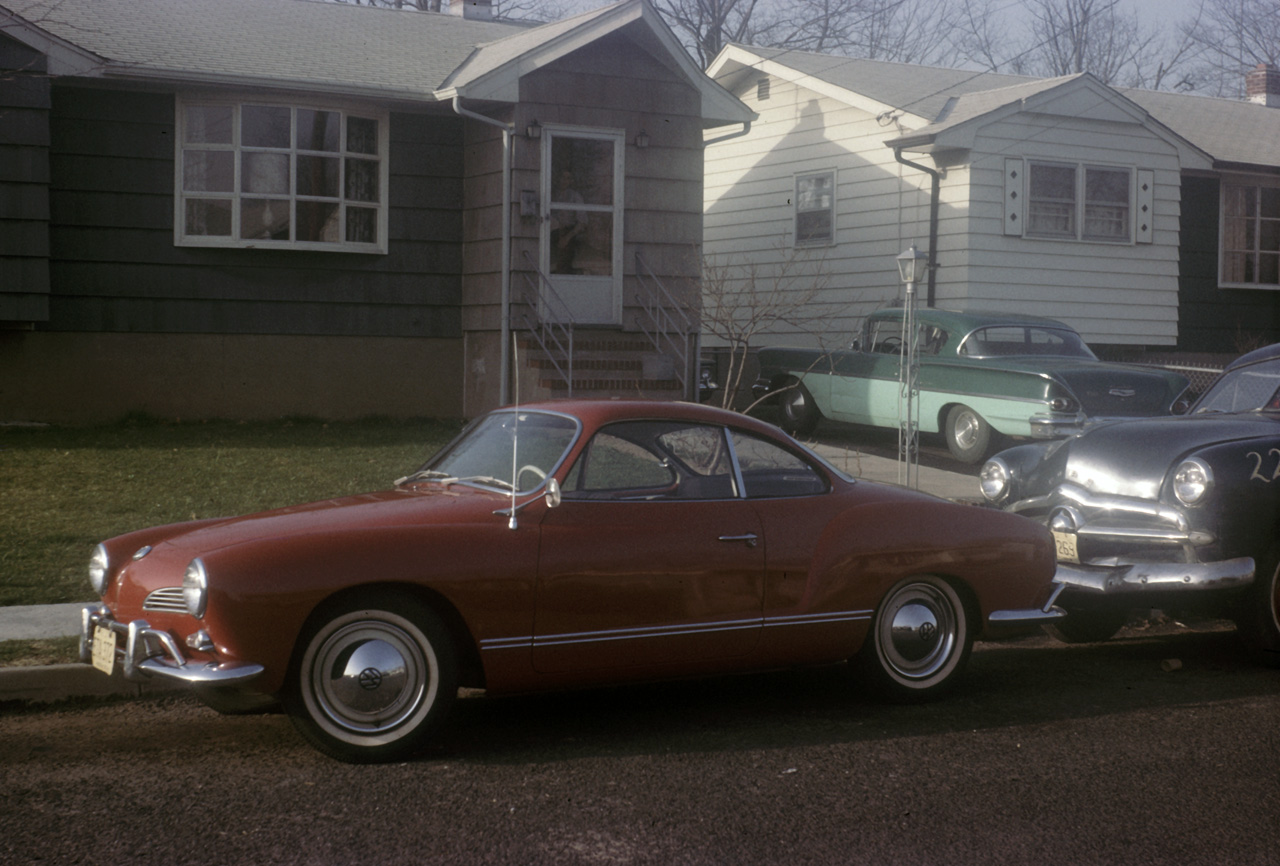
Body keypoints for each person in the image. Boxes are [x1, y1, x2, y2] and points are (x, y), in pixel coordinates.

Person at [550, 168, 586, 274]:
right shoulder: (551, 195)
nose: (564, 181)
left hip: (569, 232)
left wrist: (567, 238)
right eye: (562, 177)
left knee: (565, 253)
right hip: (553, 231)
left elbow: (582, 222)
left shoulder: (575, 196)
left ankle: (562, 275)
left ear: (571, 181)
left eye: (568, 178)